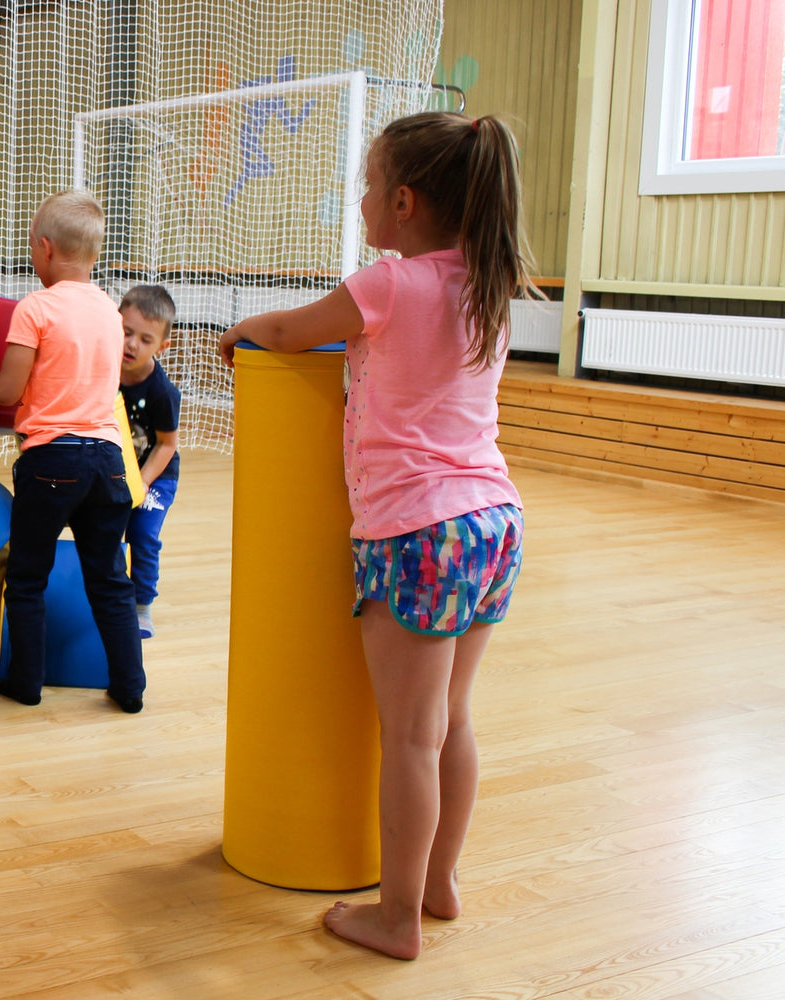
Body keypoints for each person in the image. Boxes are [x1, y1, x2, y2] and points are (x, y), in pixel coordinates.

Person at [217, 112, 536, 960]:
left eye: (367, 186)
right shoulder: (487, 289)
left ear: (402, 202)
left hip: (419, 529)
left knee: (409, 737)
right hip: (493, 520)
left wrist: (244, 330)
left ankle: (397, 919)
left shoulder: (390, 284)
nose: (360, 201)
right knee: (452, 720)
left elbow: (292, 332)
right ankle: (439, 883)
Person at [0, 190, 145, 714]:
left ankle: (25, 683)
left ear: (46, 248)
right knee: (111, 581)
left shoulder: (36, 307)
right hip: (108, 463)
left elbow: (7, 391)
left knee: (27, 577)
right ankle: (130, 687)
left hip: (53, 461)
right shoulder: (109, 312)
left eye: (33, 247)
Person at [117, 284, 181, 639]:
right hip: (116, 468)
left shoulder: (162, 392)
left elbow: (167, 445)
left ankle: (142, 605)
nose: (131, 345)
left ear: (162, 346)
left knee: (142, 534)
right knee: (105, 529)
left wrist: (142, 481)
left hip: (155, 474)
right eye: (126, 332)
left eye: (145, 339)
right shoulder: (104, 371)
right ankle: (106, 594)